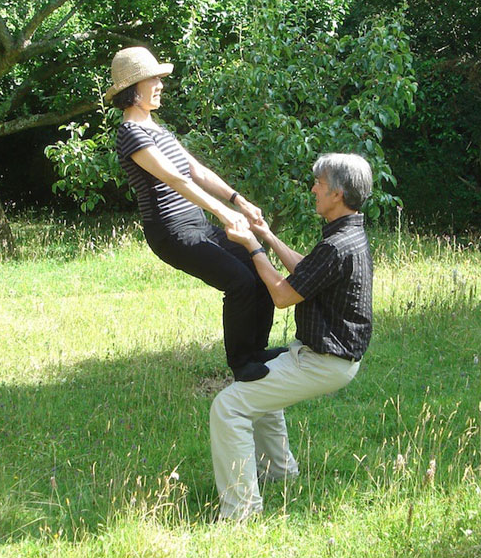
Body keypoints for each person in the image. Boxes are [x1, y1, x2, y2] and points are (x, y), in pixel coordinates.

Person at [213, 153, 375, 520]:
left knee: (229, 406)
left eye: (320, 182)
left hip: (324, 362)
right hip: (325, 357)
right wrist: (267, 235)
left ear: (338, 194)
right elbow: (306, 272)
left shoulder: (338, 245)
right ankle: (280, 473)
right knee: (255, 374)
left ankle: (241, 512)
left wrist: (252, 247)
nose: (314, 188)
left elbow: (284, 296)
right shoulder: (347, 235)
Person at [106, 46, 278, 381]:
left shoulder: (156, 128)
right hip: (171, 232)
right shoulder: (130, 133)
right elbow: (173, 177)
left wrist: (238, 200)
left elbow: (196, 171)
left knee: (258, 261)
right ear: (134, 89)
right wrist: (223, 213)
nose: (160, 85)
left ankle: (258, 349)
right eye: (153, 79)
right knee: (239, 280)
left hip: (196, 224)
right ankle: (242, 363)